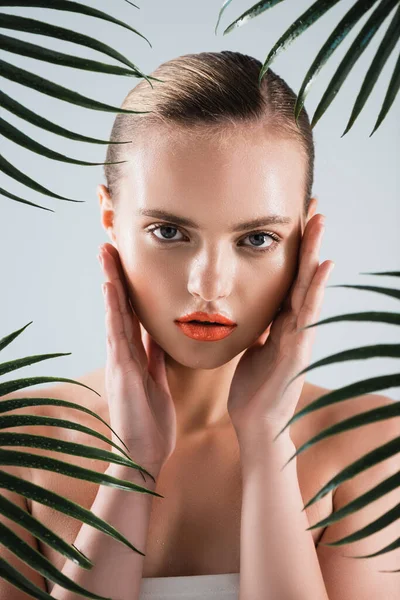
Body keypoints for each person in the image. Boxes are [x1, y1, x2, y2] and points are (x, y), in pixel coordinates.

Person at [1, 51, 397, 600]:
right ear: (110, 218)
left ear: (305, 236)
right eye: (169, 232)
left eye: (256, 238)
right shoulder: (17, 446)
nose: (208, 286)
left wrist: (269, 446)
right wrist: (132, 463)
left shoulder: (374, 447)